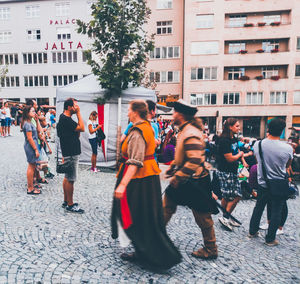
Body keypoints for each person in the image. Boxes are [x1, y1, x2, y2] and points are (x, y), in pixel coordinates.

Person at [111, 99, 181, 270]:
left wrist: (122, 185)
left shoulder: (137, 132)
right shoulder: (147, 126)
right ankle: (143, 252)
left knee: (139, 218)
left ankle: (158, 257)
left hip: (140, 180)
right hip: (147, 177)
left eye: (129, 109)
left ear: (136, 112)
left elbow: (135, 161)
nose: (127, 112)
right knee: (144, 217)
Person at [163, 99, 219, 260]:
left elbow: (194, 160)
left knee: (202, 216)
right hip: (187, 179)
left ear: (181, 115)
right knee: (166, 208)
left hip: (193, 181)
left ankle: (211, 248)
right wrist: (174, 166)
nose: (173, 115)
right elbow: (185, 155)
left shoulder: (190, 133)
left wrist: (178, 176)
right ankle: (155, 237)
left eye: (174, 112)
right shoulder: (186, 130)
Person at [249, 118, 293, 246]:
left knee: (259, 207)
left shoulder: (258, 144)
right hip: (278, 184)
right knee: (276, 211)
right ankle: (270, 239)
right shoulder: (287, 148)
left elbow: (258, 161)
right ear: (282, 131)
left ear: (268, 129)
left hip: (263, 182)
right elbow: (287, 165)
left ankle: (252, 231)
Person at [216, 118, 248, 231]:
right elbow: (229, 158)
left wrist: (243, 160)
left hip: (232, 170)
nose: (239, 128)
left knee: (226, 196)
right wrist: (240, 155)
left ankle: (226, 216)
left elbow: (237, 152)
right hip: (226, 171)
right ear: (230, 127)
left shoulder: (233, 138)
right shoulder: (224, 140)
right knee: (237, 195)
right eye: (237, 126)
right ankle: (225, 217)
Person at [57, 98, 85, 214]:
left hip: (68, 150)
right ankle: (70, 204)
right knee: (71, 179)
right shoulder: (66, 119)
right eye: (75, 106)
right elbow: (82, 128)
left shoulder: (63, 117)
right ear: (69, 107)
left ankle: (66, 200)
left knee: (67, 177)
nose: (76, 108)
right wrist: (78, 113)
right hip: (71, 151)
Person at [22, 106, 41, 195]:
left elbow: (36, 132)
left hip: (32, 145)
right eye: (32, 111)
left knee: (32, 166)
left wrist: (37, 120)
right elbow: (30, 138)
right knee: (31, 166)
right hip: (31, 146)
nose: (35, 112)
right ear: (27, 112)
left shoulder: (29, 122)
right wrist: (36, 149)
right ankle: (30, 188)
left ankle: (31, 186)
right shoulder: (27, 124)